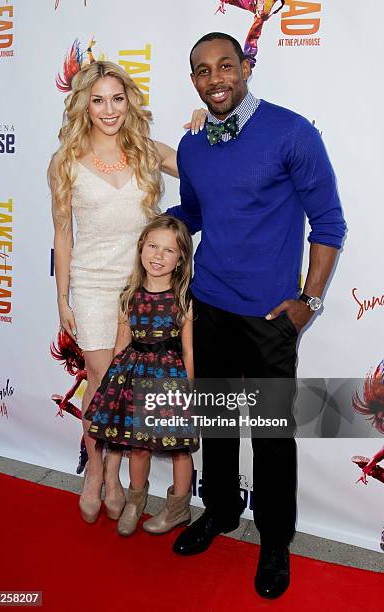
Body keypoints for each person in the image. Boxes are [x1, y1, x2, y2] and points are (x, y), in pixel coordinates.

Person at [167, 32, 346, 599]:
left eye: (226, 65)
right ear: (193, 79)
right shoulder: (193, 146)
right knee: (218, 425)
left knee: (271, 435)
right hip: (211, 307)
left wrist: (308, 302)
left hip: (272, 317)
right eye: (202, 70)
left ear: (246, 67)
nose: (215, 78)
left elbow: (330, 224)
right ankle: (219, 512)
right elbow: (193, 213)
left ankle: (274, 541)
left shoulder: (291, 132)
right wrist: (141, 227)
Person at [48, 61, 205, 524]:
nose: (109, 109)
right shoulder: (66, 161)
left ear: (128, 101)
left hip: (145, 284)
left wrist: (204, 125)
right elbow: (62, 236)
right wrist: (62, 299)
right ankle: (98, 470)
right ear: (84, 105)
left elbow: (206, 167)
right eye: (98, 100)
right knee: (101, 382)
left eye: (117, 98)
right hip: (94, 285)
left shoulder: (145, 150)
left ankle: (114, 468)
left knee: (132, 387)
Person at [84, 216, 198, 536]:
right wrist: (109, 387)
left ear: (180, 260)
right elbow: (121, 343)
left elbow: (189, 351)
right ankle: (135, 502)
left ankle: (177, 508)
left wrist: (188, 391)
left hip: (170, 377)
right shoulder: (129, 295)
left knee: (179, 448)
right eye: (152, 246)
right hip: (133, 375)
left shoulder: (183, 298)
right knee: (137, 446)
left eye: (168, 250)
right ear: (140, 249)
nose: (158, 256)